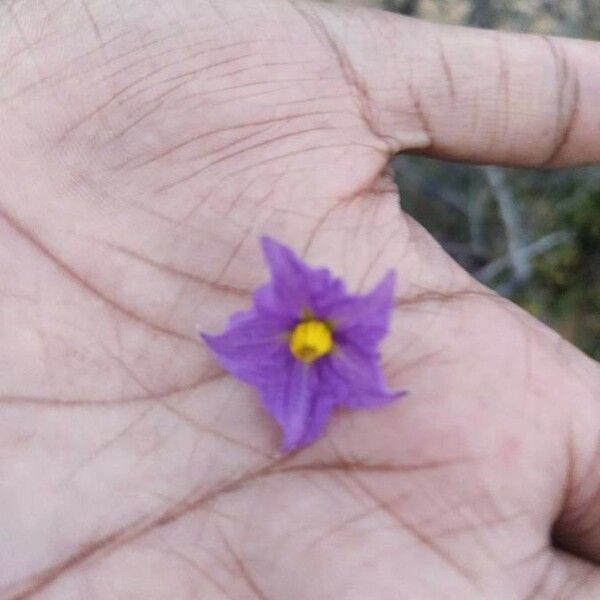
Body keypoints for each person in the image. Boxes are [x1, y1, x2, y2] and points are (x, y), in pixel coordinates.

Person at [1, 0, 598, 597]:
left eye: (311, 339)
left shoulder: (308, 331)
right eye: (311, 340)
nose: (310, 344)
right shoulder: (305, 328)